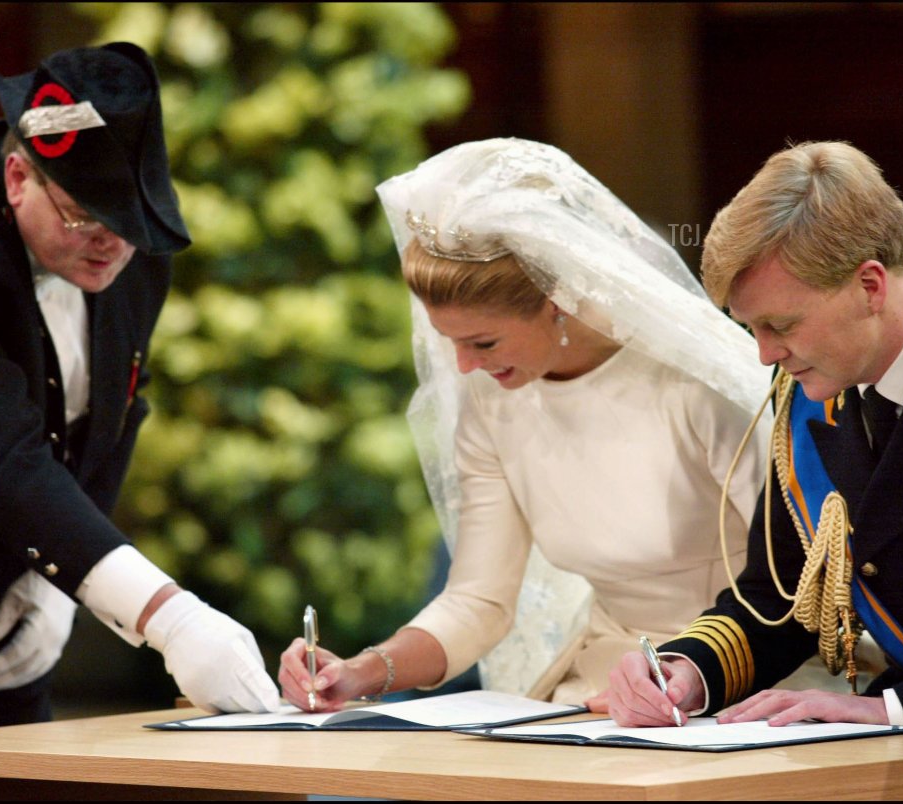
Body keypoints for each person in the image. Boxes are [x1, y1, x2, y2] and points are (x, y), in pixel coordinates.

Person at [0, 42, 279, 797]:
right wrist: (167, 616)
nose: (113, 244)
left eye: (132, 221)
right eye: (85, 218)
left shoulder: (133, 243)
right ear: (17, 177)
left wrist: (58, 587)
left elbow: (107, 425)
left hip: (10, 587)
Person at [275, 137, 779, 710]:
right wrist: (363, 672)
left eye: (482, 341)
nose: (464, 367)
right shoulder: (491, 405)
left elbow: (792, 587)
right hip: (600, 682)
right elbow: (477, 603)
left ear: (556, 300)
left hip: (752, 676)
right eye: (451, 345)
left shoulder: (698, 389)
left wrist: (691, 676)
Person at [602, 140, 903, 734]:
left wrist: (889, 709)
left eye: (781, 325)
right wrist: (686, 672)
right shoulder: (811, 390)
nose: (764, 353)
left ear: (870, 286)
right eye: (751, 327)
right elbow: (780, 596)